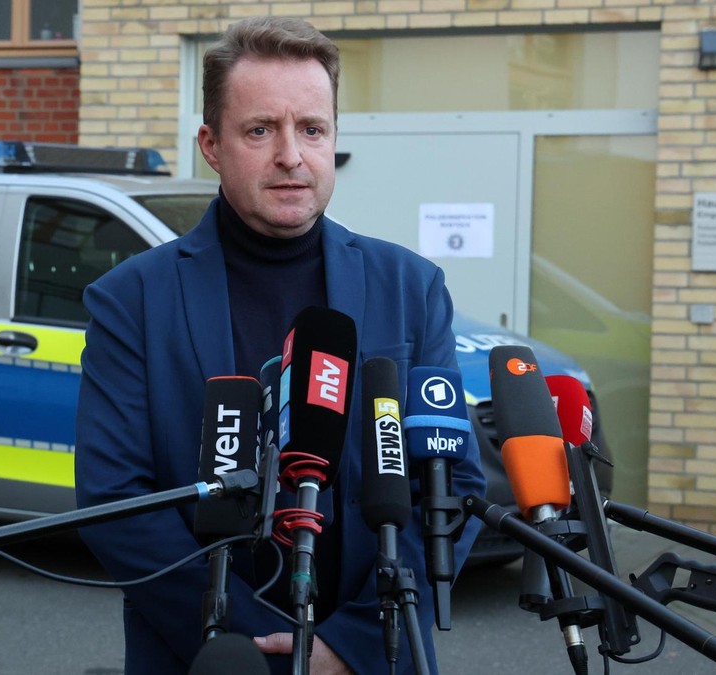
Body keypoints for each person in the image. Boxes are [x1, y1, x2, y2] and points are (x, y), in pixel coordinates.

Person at [75, 16, 486, 675]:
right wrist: (259, 650)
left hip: (372, 656)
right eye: (261, 129)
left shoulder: (409, 286)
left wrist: (349, 646)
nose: (292, 155)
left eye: (312, 129)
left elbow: (451, 483)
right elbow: (114, 501)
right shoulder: (132, 300)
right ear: (211, 144)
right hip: (211, 658)